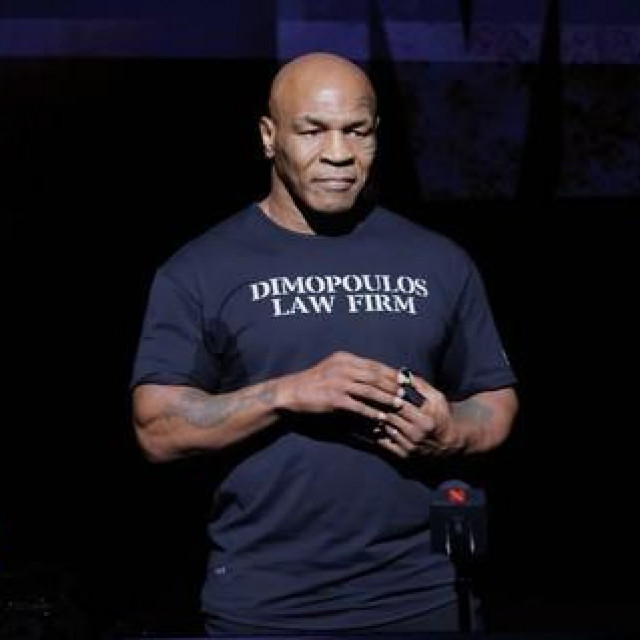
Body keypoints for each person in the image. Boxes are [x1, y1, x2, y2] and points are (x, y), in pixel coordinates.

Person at [130, 51, 518, 635]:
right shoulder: (201, 270)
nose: (338, 152)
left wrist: (451, 432)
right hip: (269, 608)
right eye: (312, 131)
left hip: (424, 596)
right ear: (269, 137)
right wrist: (290, 392)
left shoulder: (438, 260)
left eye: (356, 131)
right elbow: (156, 428)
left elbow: (495, 399)